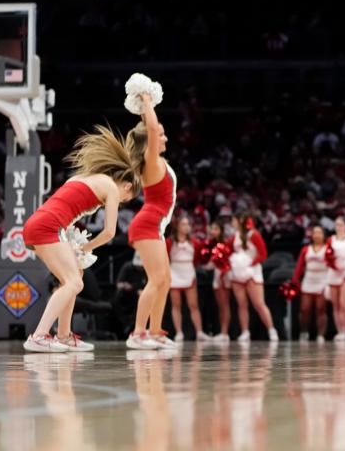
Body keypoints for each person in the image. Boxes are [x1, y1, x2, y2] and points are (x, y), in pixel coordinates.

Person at [22, 126, 140, 353]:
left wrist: (75, 248)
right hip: (48, 226)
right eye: (128, 197)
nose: (123, 200)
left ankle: (64, 336)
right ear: (126, 185)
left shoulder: (86, 177)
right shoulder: (112, 188)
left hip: (40, 224)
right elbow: (109, 233)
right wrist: (86, 247)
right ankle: (38, 336)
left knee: (75, 277)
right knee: (74, 283)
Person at [125, 93, 179, 350]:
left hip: (153, 225)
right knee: (156, 279)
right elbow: (153, 129)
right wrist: (147, 101)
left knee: (165, 280)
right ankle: (138, 333)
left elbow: (150, 130)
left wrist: (144, 112)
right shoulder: (152, 161)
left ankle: (155, 331)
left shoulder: (156, 162)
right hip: (147, 225)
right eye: (161, 135)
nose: (164, 137)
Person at [228, 214, 279, 342]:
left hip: (252, 271)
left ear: (240, 220)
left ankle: (272, 330)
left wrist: (249, 265)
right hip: (237, 273)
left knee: (259, 304)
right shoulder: (234, 237)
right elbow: (227, 251)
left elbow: (263, 254)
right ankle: (245, 332)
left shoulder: (254, 234)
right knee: (242, 304)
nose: (232, 222)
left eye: (234, 220)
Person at [168, 215, 208, 342]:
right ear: (177, 227)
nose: (187, 227)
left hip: (188, 272)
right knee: (176, 305)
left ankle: (199, 332)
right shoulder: (169, 242)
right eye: (183, 224)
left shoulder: (195, 242)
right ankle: (179, 332)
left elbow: (197, 259)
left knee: (193, 304)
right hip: (174, 272)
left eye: (188, 224)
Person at [293, 225, 330, 342]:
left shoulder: (328, 248)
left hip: (323, 279)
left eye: (319, 233)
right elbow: (299, 267)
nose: (317, 235)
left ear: (324, 235)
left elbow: (332, 265)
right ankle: (304, 332)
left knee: (321, 309)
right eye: (315, 233)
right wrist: (295, 280)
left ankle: (321, 335)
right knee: (304, 309)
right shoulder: (305, 249)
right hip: (309, 279)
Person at [207, 220, 233, 342]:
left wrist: (222, 276)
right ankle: (222, 332)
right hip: (217, 276)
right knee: (220, 306)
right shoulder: (211, 244)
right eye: (212, 229)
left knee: (225, 305)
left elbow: (227, 263)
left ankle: (225, 332)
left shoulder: (224, 244)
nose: (213, 231)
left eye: (216, 229)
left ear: (221, 231)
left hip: (224, 276)